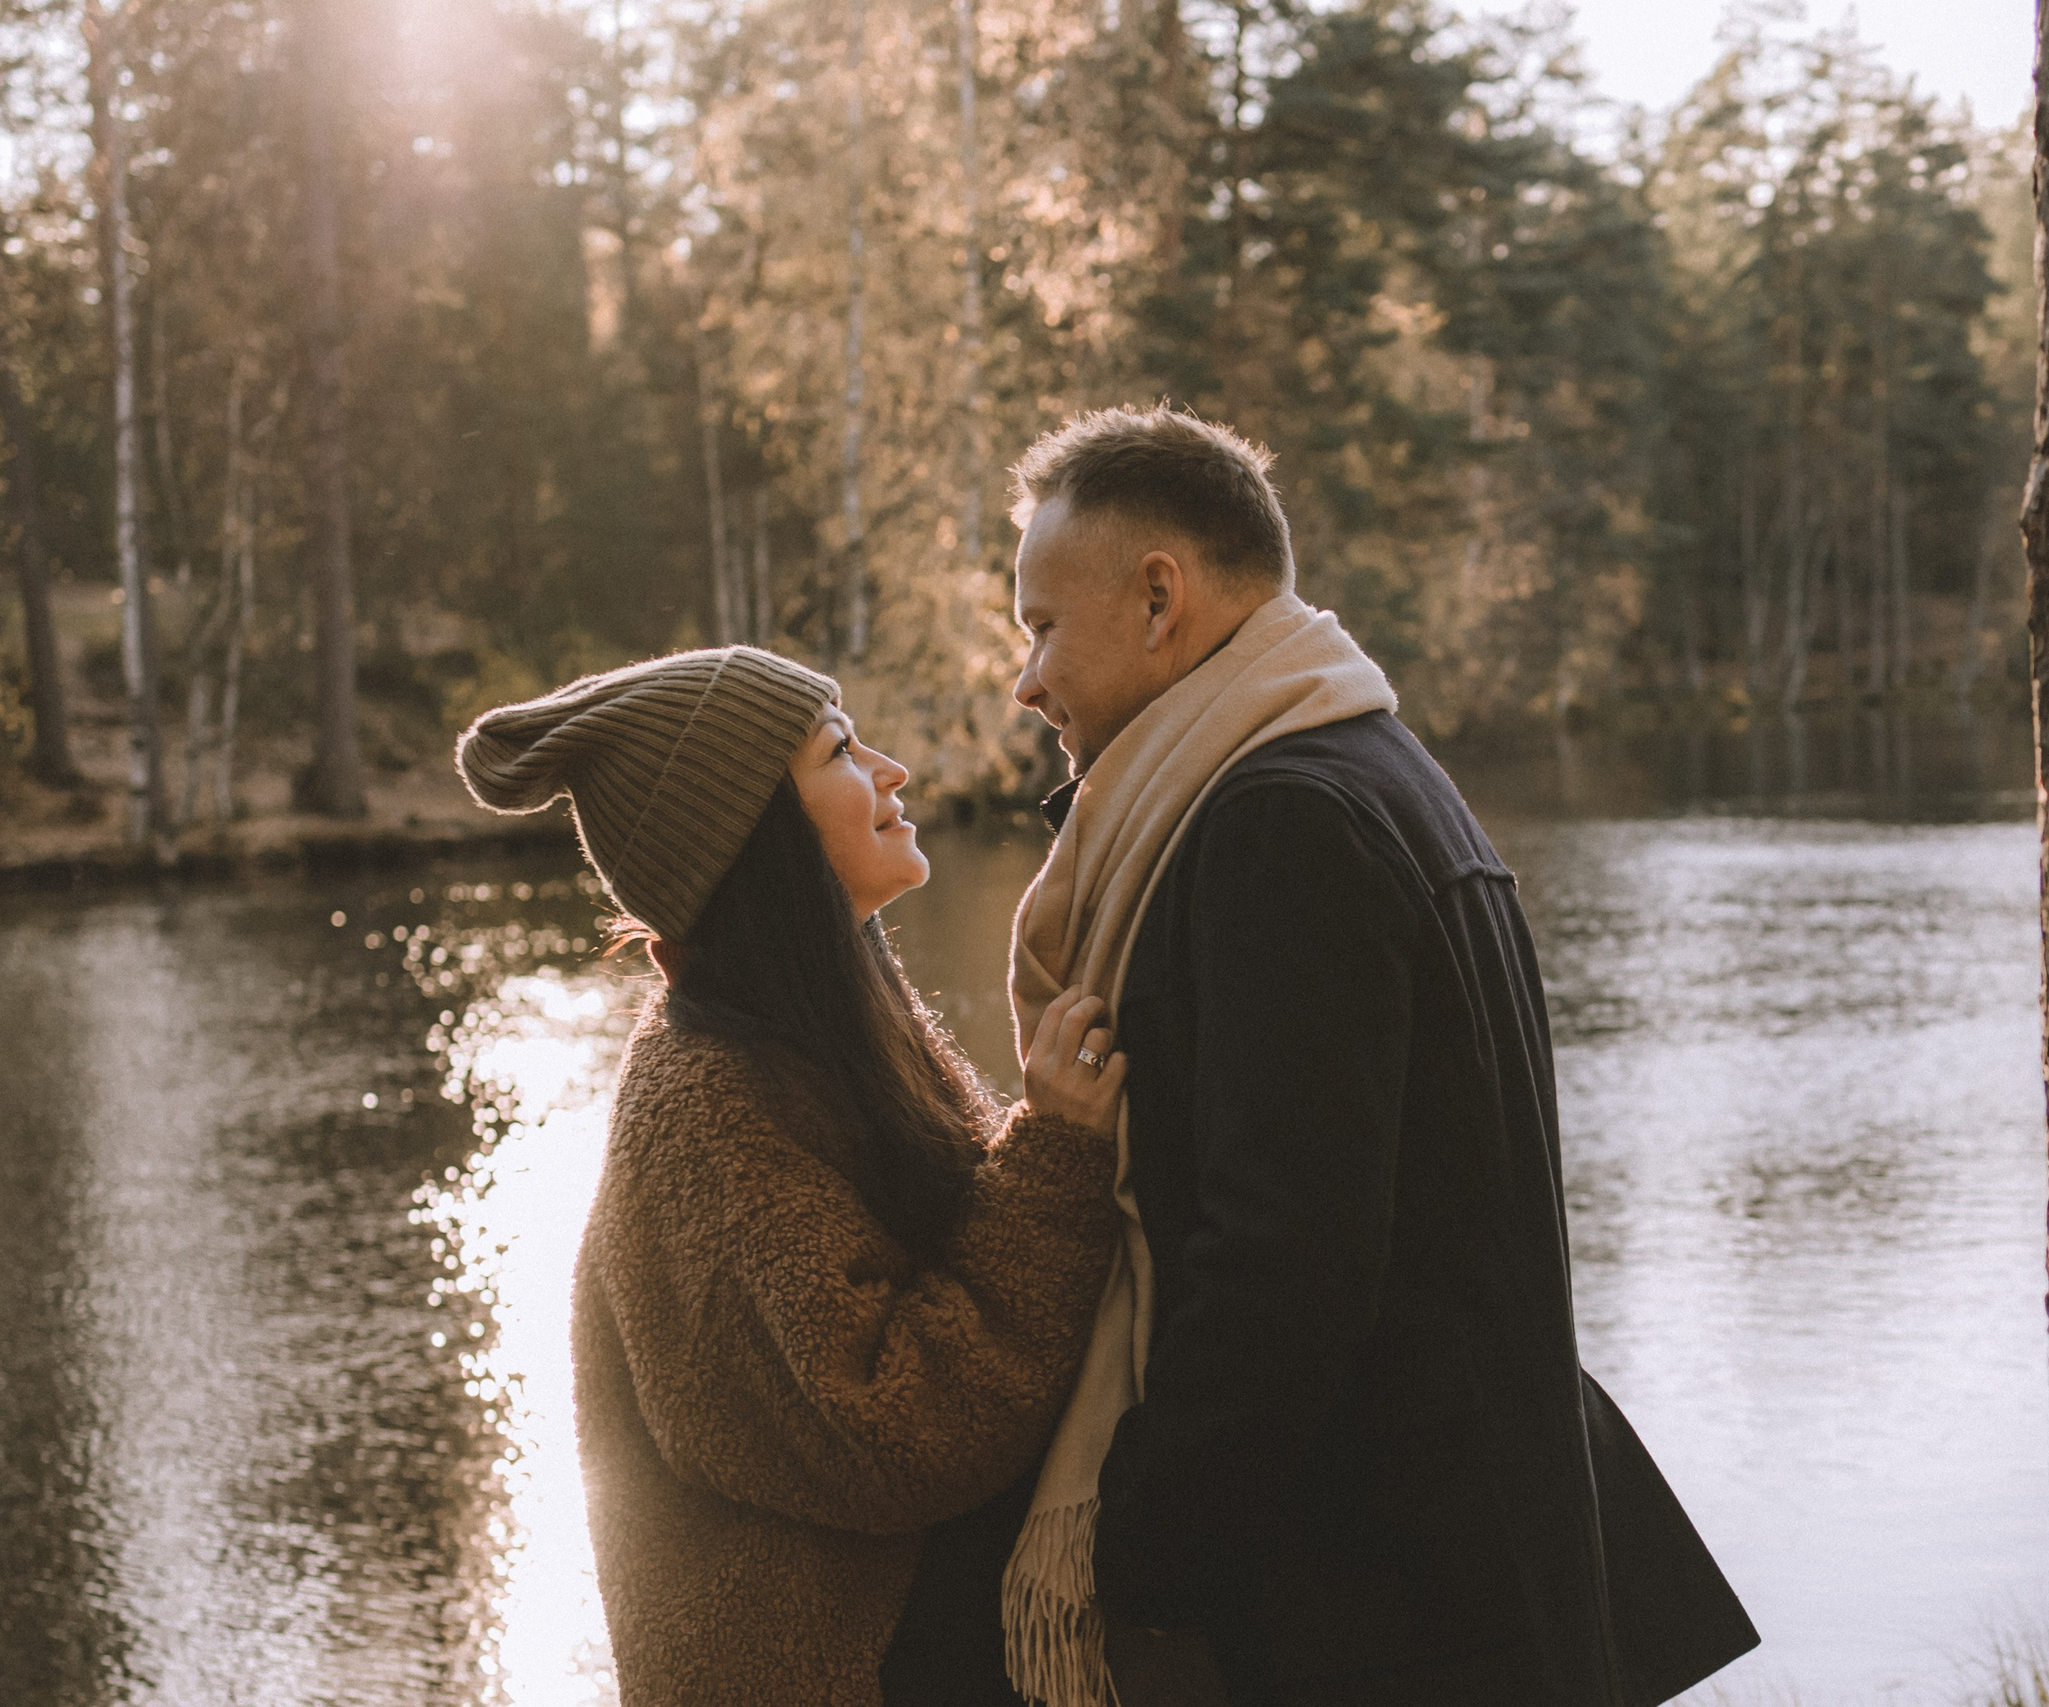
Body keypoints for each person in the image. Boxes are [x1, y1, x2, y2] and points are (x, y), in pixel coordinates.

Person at [994, 405, 1760, 1707]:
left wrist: (1141, 1542)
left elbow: (1286, 1266)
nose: (1026, 679)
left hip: (1387, 1608)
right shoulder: (1366, 761)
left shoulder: (1277, 826)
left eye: (1042, 626)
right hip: (1453, 1571)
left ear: (1161, 596)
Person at [455, 647, 1127, 1707]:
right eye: (841, 752)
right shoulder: (706, 1107)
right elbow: (888, 1425)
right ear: (756, 835)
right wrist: (1053, 1155)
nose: (892, 769)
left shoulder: (819, 1017)